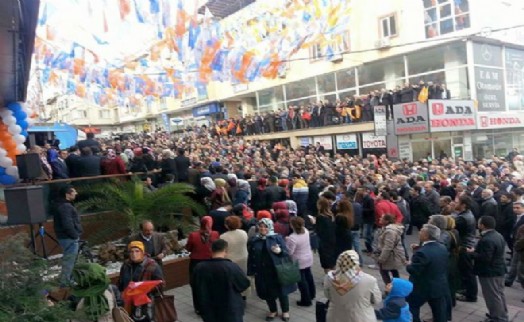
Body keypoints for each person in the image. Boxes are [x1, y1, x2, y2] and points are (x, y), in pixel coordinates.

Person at [247, 218, 296, 321]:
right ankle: (273, 310)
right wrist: (251, 271)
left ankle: (285, 311)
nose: (262, 228)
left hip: (277, 270)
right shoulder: (254, 240)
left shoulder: (277, 238)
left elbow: (286, 253)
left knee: (282, 292)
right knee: (267, 292)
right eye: (260, 226)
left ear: (270, 227)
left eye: (265, 226)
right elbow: (251, 256)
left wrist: (279, 251)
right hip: (262, 272)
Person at [192, 239, 251, 322]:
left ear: (211, 250)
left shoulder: (199, 268)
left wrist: (198, 307)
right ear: (225, 250)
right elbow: (244, 284)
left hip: (209, 310)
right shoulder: (231, 267)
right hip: (230, 309)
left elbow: (195, 289)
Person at [467, 216, 508, 322]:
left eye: (479, 223)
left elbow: (485, 258)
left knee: (492, 296)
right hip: (499, 269)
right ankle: (501, 314)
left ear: (482, 225)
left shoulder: (487, 239)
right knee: (499, 293)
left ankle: (498, 318)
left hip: (490, 272)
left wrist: (472, 253)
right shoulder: (497, 235)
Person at [323, 250, 382, 322]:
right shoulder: (369, 280)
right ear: (356, 263)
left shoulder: (329, 278)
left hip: (335, 317)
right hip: (362, 318)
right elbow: (377, 300)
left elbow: (328, 296)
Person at [407, 224, 449, 322]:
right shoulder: (442, 247)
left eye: (421, 231)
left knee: (412, 307)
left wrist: (409, 264)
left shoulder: (422, 252)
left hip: (422, 287)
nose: (418, 232)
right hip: (439, 285)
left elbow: (414, 270)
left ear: (426, 235)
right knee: (439, 312)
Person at [118, 241, 164, 322]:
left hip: (145, 305)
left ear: (143, 252)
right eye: (131, 251)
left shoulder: (152, 265)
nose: (134, 254)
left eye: (137, 251)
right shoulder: (126, 265)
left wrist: (142, 288)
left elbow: (161, 284)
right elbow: (120, 282)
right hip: (128, 303)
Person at [186, 216, 220, 314]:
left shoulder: (193, 235)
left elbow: (189, 248)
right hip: (211, 262)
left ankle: (198, 308)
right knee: (211, 284)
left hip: (196, 263)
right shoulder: (215, 234)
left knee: (196, 285)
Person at [54, 185, 83, 287]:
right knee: (69, 259)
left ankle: (67, 279)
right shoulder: (66, 207)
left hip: (66, 237)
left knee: (70, 259)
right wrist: (75, 235)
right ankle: (65, 281)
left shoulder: (62, 205)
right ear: (67, 194)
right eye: (74, 192)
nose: (76, 193)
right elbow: (67, 223)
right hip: (68, 238)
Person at [286, 216, 315, 307]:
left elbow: (290, 252)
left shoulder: (292, 238)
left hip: (299, 261)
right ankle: (312, 294)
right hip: (308, 257)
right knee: (309, 276)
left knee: (302, 281)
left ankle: (306, 300)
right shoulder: (306, 231)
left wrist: (286, 242)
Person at [376, 214, 405, 285]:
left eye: (382, 218)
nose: (380, 218)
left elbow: (388, 247)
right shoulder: (387, 229)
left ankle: (390, 288)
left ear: (386, 221)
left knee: (384, 271)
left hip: (391, 255)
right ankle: (395, 287)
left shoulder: (390, 231)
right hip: (393, 255)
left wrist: (381, 259)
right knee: (394, 271)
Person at [220, 216, 249, 281]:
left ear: (227, 225)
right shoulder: (243, 233)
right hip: (243, 258)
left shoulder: (223, 237)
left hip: (230, 260)